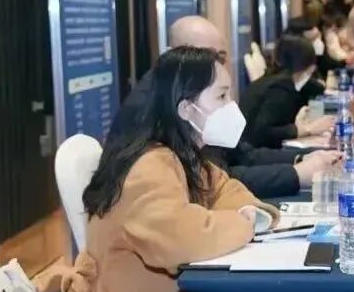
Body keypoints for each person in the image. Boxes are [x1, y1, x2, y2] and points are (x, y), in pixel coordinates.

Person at [48, 46, 281, 292]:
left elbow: (225, 188)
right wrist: (245, 223)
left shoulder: (182, 156)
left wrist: (247, 212)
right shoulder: (149, 165)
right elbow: (182, 238)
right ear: (186, 109)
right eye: (221, 96)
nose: (231, 106)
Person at [107, 16, 338, 198]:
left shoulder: (199, 96)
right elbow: (209, 183)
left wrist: (301, 159)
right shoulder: (153, 107)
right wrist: (296, 174)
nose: (216, 67)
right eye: (207, 57)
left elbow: (243, 155)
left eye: (221, 58)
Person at [239, 35, 335, 149]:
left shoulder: (268, 81)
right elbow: (263, 133)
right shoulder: (280, 90)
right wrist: (306, 129)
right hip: (254, 153)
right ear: (307, 66)